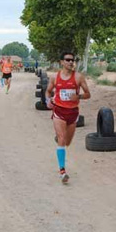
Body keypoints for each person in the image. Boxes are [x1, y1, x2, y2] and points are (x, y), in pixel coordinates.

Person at [46, 51, 90, 184]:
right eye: (68, 59)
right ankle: (62, 171)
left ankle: (59, 138)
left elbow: (88, 94)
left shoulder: (78, 77)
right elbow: (48, 91)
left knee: (67, 142)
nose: (71, 62)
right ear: (62, 62)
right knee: (62, 139)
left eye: (72, 60)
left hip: (73, 113)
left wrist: (79, 96)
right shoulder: (55, 77)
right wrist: (48, 100)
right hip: (59, 111)